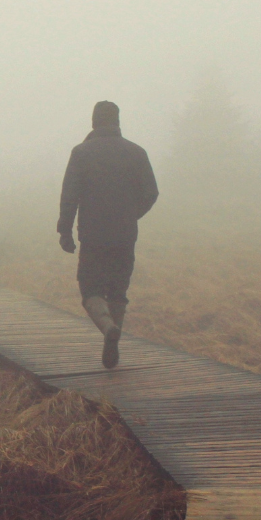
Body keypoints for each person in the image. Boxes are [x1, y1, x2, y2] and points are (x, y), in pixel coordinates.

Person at [57, 101, 158, 369]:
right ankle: (114, 332)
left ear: (94, 122)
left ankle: (106, 327)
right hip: (125, 234)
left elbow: (70, 196)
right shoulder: (137, 152)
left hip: (93, 234)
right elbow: (151, 193)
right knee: (118, 290)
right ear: (117, 121)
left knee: (89, 287)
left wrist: (65, 230)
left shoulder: (81, 153)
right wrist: (130, 215)